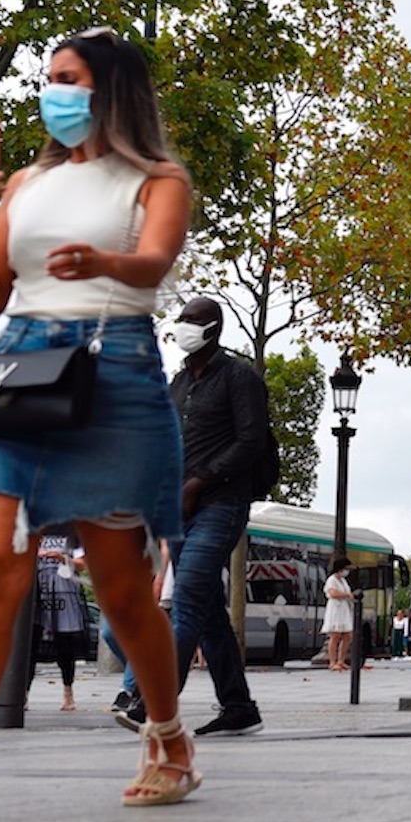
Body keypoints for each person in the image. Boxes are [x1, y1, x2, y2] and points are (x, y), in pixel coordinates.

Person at [0, 27, 197, 822]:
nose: (52, 90)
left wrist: (104, 264)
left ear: (111, 90)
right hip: (17, 371)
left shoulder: (158, 179)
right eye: (48, 77)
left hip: (112, 368)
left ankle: (169, 738)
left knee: (122, 591)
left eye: (68, 77)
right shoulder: (22, 181)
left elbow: (155, 263)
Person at [128, 295, 269, 738]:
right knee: (207, 611)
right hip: (179, 507)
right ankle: (239, 705)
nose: (183, 326)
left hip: (221, 504)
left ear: (213, 328)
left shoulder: (240, 378)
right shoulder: (179, 382)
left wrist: (200, 481)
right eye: (181, 318)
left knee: (187, 596)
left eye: (192, 319)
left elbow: (252, 442)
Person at [35, 535, 91, 711]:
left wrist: (62, 558)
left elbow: (82, 564)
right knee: (30, 644)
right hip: (37, 593)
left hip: (65, 594)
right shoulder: (33, 529)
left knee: (65, 646)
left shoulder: (73, 534)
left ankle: (68, 691)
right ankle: (23, 695)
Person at [322, 556, 355, 672]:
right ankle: (332, 662)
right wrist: (346, 595)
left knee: (347, 635)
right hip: (336, 609)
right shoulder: (332, 580)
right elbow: (333, 593)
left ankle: (341, 660)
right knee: (335, 635)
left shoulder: (343, 581)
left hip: (344, 609)